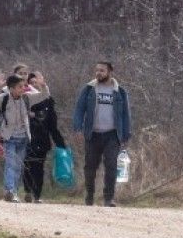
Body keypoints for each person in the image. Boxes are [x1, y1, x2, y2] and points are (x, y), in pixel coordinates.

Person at [72, 61, 132, 207]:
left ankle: (109, 198)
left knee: (111, 166)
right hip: (93, 134)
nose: (98, 73)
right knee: (90, 167)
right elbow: (79, 109)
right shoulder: (89, 89)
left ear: (110, 72)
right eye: (97, 70)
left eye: (102, 70)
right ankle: (90, 196)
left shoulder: (120, 92)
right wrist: (77, 128)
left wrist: (126, 134)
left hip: (112, 134)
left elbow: (126, 114)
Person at [22, 72, 67, 203]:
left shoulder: (48, 102)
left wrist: (60, 142)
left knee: (38, 167)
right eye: (31, 83)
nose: (34, 85)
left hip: (42, 139)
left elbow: (53, 125)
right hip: (26, 138)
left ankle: (37, 195)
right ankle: (27, 190)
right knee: (27, 166)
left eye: (37, 83)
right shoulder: (24, 100)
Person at [0, 74, 30, 202]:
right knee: (10, 164)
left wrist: (43, 87)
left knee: (17, 166)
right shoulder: (4, 98)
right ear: (11, 88)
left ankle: (13, 192)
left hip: (23, 138)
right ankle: (9, 190)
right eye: (20, 87)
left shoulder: (26, 98)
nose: (23, 89)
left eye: (23, 86)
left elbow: (43, 95)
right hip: (9, 138)